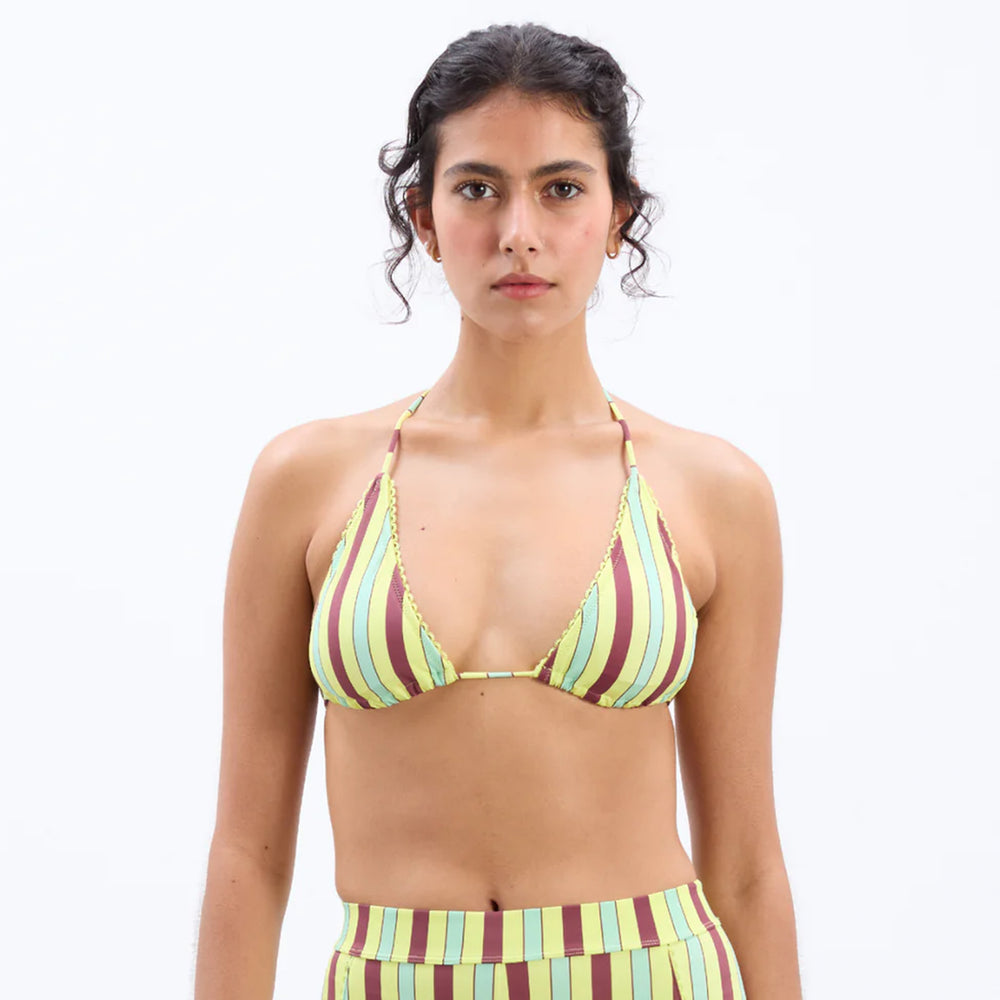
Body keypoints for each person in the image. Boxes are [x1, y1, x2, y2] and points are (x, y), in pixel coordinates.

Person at [194, 22, 802, 1000]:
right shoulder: (307, 482)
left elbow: (745, 866)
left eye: (561, 188)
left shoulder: (712, 492)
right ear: (425, 217)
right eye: (478, 188)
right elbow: (246, 853)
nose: (519, 231)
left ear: (617, 215)